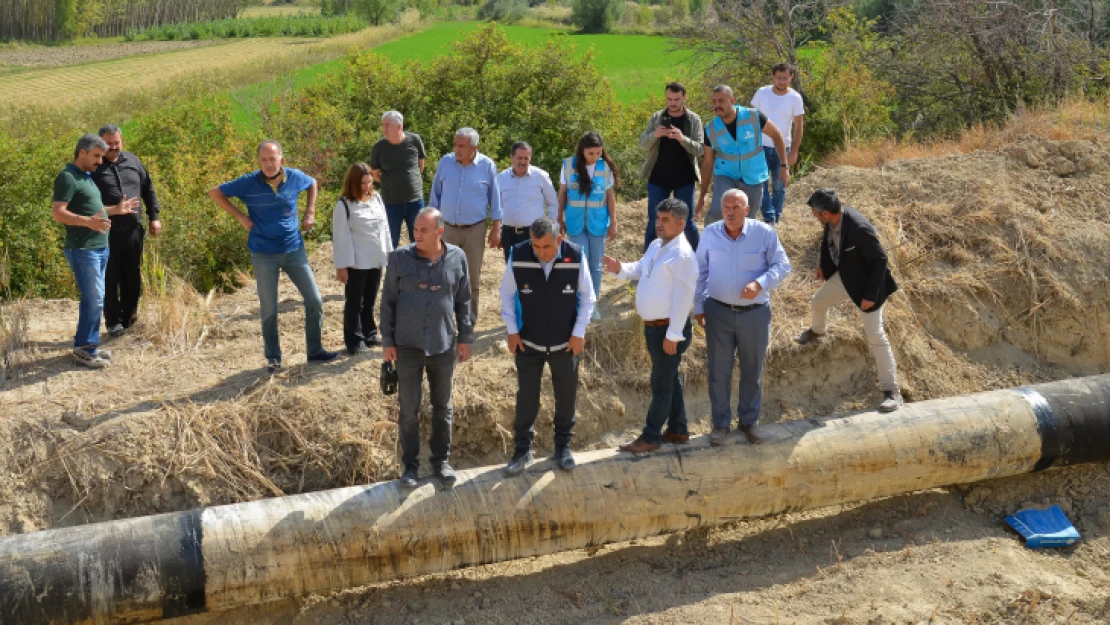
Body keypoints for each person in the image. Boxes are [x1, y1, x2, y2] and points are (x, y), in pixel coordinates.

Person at [209, 140, 338, 372]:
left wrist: (310, 212)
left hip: (294, 249)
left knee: (315, 300)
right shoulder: (248, 183)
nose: (269, 164)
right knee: (269, 309)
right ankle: (273, 358)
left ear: (282, 160)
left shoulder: (295, 177)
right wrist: (239, 216)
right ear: (259, 162)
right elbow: (215, 193)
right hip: (263, 253)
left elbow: (313, 183)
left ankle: (315, 351)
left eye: (273, 158)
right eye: (264, 160)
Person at [381, 208, 474, 489]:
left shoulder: (458, 258)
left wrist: (465, 336)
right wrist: (387, 340)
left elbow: (464, 300)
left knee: (442, 407)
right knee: (408, 409)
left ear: (439, 232)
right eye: (415, 230)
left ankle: (440, 462)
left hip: (443, 344)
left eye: (423, 230)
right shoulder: (399, 259)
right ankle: (410, 466)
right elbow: (387, 303)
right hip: (407, 345)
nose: (416, 235)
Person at [694, 189, 791, 445]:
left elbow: (783, 265)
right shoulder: (710, 233)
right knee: (719, 370)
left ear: (747, 210)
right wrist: (698, 305)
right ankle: (720, 425)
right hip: (718, 311)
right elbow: (700, 271)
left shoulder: (764, 233)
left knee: (752, 370)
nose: (730, 211)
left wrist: (760, 284)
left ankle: (749, 423)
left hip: (754, 314)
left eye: (736, 207)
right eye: (726, 206)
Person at [499, 216, 594, 475]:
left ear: (559, 240)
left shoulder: (575, 256)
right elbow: (506, 293)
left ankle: (562, 448)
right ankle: (522, 451)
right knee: (527, 398)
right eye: (536, 247)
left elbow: (588, 297)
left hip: (566, 344)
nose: (540, 253)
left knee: (566, 397)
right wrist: (512, 331)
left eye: (546, 247)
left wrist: (578, 332)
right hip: (528, 342)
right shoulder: (518, 254)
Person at [603, 199, 698, 453]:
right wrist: (619, 268)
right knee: (669, 378)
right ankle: (678, 429)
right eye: (658, 219)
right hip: (655, 328)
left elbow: (683, 299)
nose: (659, 224)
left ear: (681, 223)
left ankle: (651, 436)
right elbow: (641, 269)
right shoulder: (657, 245)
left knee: (661, 384)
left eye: (666, 220)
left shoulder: (683, 256)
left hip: (669, 330)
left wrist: (674, 334)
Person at [795, 188, 902, 412]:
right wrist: (823, 267)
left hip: (867, 285)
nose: (814, 216)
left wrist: (870, 296)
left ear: (824, 213)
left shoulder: (859, 229)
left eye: (815, 213)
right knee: (818, 301)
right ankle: (818, 331)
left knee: (875, 336)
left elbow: (880, 261)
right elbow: (827, 241)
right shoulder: (831, 221)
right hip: (846, 276)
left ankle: (892, 392)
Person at [51, 134, 137, 368]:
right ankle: (85, 349)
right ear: (82, 153)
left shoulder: (86, 177)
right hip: (82, 249)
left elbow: (95, 211)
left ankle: (88, 346)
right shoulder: (67, 177)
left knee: (93, 299)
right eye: (97, 156)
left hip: (99, 247)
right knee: (95, 299)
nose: (100, 161)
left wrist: (116, 210)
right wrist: (88, 222)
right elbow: (58, 212)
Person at [90, 123, 161, 337]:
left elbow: (148, 188)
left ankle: (130, 319)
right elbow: (84, 203)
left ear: (122, 141)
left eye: (116, 142)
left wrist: (154, 217)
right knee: (109, 278)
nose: (112, 147)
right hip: (105, 232)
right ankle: (113, 323)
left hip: (133, 231)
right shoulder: (93, 167)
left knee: (132, 277)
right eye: (108, 143)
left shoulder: (133, 161)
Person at [428, 127, 502, 323]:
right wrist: (431, 224)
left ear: (474, 147)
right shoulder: (445, 162)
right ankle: (444, 319)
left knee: (471, 278)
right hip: (446, 229)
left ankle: (468, 322)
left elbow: (495, 199)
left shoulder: (487, 166)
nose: (457, 149)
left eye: (462, 146)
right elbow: (435, 194)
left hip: (474, 230)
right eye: (455, 144)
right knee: (443, 275)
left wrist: (496, 228)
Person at [696, 85, 790, 226]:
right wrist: (702, 195)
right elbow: (707, 163)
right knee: (717, 212)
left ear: (732, 100)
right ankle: (709, 244)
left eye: (721, 101)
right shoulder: (710, 129)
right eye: (714, 102)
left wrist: (784, 165)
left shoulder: (753, 116)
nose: (717, 105)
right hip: (726, 175)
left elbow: (777, 136)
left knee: (747, 219)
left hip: (754, 175)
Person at [333, 162, 393, 355]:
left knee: (370, 299)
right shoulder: (344, 205)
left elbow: (384, 227)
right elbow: (340, 236)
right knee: (355, 302)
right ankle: (354, 340)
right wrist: (341, 266)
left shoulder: (377, 199)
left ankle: (369, 333)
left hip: (376, 258)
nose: (367, 187)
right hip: (357, 261)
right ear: (353, 183)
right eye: (362, 184)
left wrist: (389, 251)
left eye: (369, 182)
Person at [558, 131, 618, 322]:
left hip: (598, 223)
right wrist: (558, 218)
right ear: (582, 151)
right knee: (578, 264)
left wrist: (614, 222)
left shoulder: (605, 167)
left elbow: (610, 197)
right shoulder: (568, 165)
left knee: (595, 266)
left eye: (598, 153)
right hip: (575, 224)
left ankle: (592, 305)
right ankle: (578, 303)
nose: (595, 157)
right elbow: (562, 194)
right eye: (591, 153)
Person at [639, 82, 703, 251]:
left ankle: (698, 261)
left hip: (685, 178)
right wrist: (655, 135)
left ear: (684, 98)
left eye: (676, 99)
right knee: (654, 220)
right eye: (669, 99)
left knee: (687, 221)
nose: (672, 103)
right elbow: (642, 144)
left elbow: (700, 149)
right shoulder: (656, 118)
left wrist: (682, 139)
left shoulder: (694, 119)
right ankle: (648, 263)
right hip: (658, 178)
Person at [750, 63, 805, 224]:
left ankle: (776, 217)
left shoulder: (795, 98)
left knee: (780, 185)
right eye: (779, 78)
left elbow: (799, 126)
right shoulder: (762, 93)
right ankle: (769, 216)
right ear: (772, 77)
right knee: (759, 183)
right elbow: (750, 118)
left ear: (791, 78)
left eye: (785, 78)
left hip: (783, 147)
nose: (782, 82)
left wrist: (794, 151)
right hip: (760, 146)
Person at [370, 110, 427, 248]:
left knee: (419, 239)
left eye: (387, 125)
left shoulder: (414, 140)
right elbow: (375, 173)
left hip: (415, 201)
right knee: (391, 241)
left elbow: (421, 164)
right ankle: (392, 269)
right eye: (383, 125)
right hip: (391, 203)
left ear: (399, 126)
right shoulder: (379, 147)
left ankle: (419, 268)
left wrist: (411, 181)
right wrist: (391, 183)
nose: (384, 129)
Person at [495, 141, 558, 262]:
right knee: (512, 270)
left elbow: (553, 203)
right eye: (519, 158)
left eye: (526, 158)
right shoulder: (501, 178)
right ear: (511, 157)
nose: (523, 162)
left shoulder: (541, 176)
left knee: (534, 270)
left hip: (534, 233)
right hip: (509, 234)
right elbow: (497, 207)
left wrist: (552, 229)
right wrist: (499, 231)